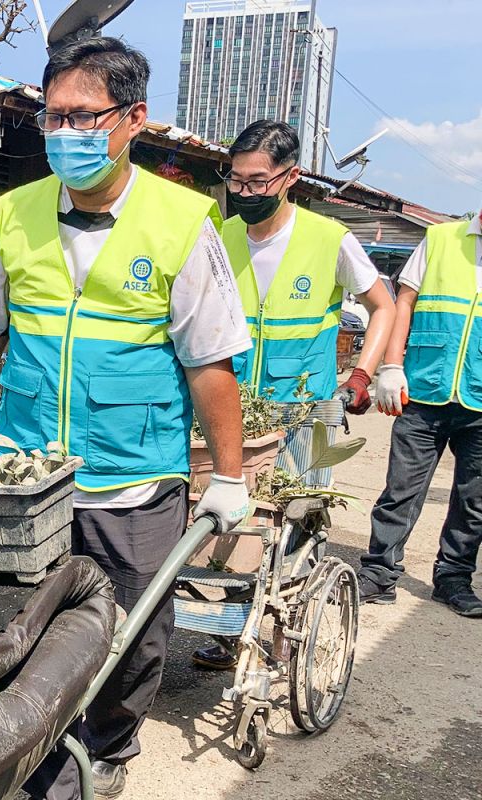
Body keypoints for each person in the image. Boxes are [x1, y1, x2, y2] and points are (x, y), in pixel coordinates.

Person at [0, 38, 251, 800]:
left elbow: (209, 362)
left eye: (83, 117)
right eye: (52, 118)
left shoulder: (182, 220)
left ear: (132, 119)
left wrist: (230, 478)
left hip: (136, 471)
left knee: (133, 632)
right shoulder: (14, 214)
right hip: (26, 472)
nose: (64, 135)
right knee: (13, 622)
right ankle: (26, 748)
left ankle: (108, 749)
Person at [192, 119, 395, 670]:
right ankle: (232, 632)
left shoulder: (330, 239)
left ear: (290, 176)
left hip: (307, 411)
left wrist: (363, 372)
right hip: (236, 408)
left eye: (258, 182)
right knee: (232, 523)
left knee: (298, 524)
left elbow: (384, 306)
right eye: (236, 181)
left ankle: (287, 636)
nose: (245, 194)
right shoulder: (219, 236)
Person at [358, 213, 482, 617]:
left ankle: (453, 578)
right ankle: (379, 573)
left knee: (473, 500)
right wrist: (392, 366)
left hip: (479, 399)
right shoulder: (441, 239)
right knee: (402, 489)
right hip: (424, 390)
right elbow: (404, 303)